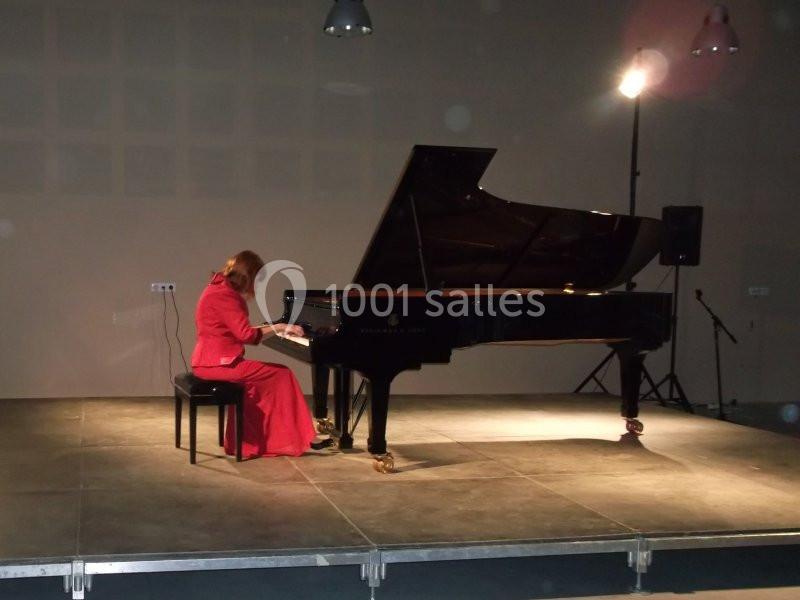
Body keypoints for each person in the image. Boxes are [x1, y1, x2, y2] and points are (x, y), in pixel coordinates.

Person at [191, 250, 328, 458]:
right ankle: (298, 438)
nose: (257, 285)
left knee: (267, 380)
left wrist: (273, 327)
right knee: (282, 374)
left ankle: (271, 439)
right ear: (248, 275)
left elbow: (234, 330)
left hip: (210, 362)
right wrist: (279, 327)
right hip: (218, 365)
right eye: (258, 279)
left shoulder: (218, 289)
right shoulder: (225, 296)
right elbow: (248, 336)